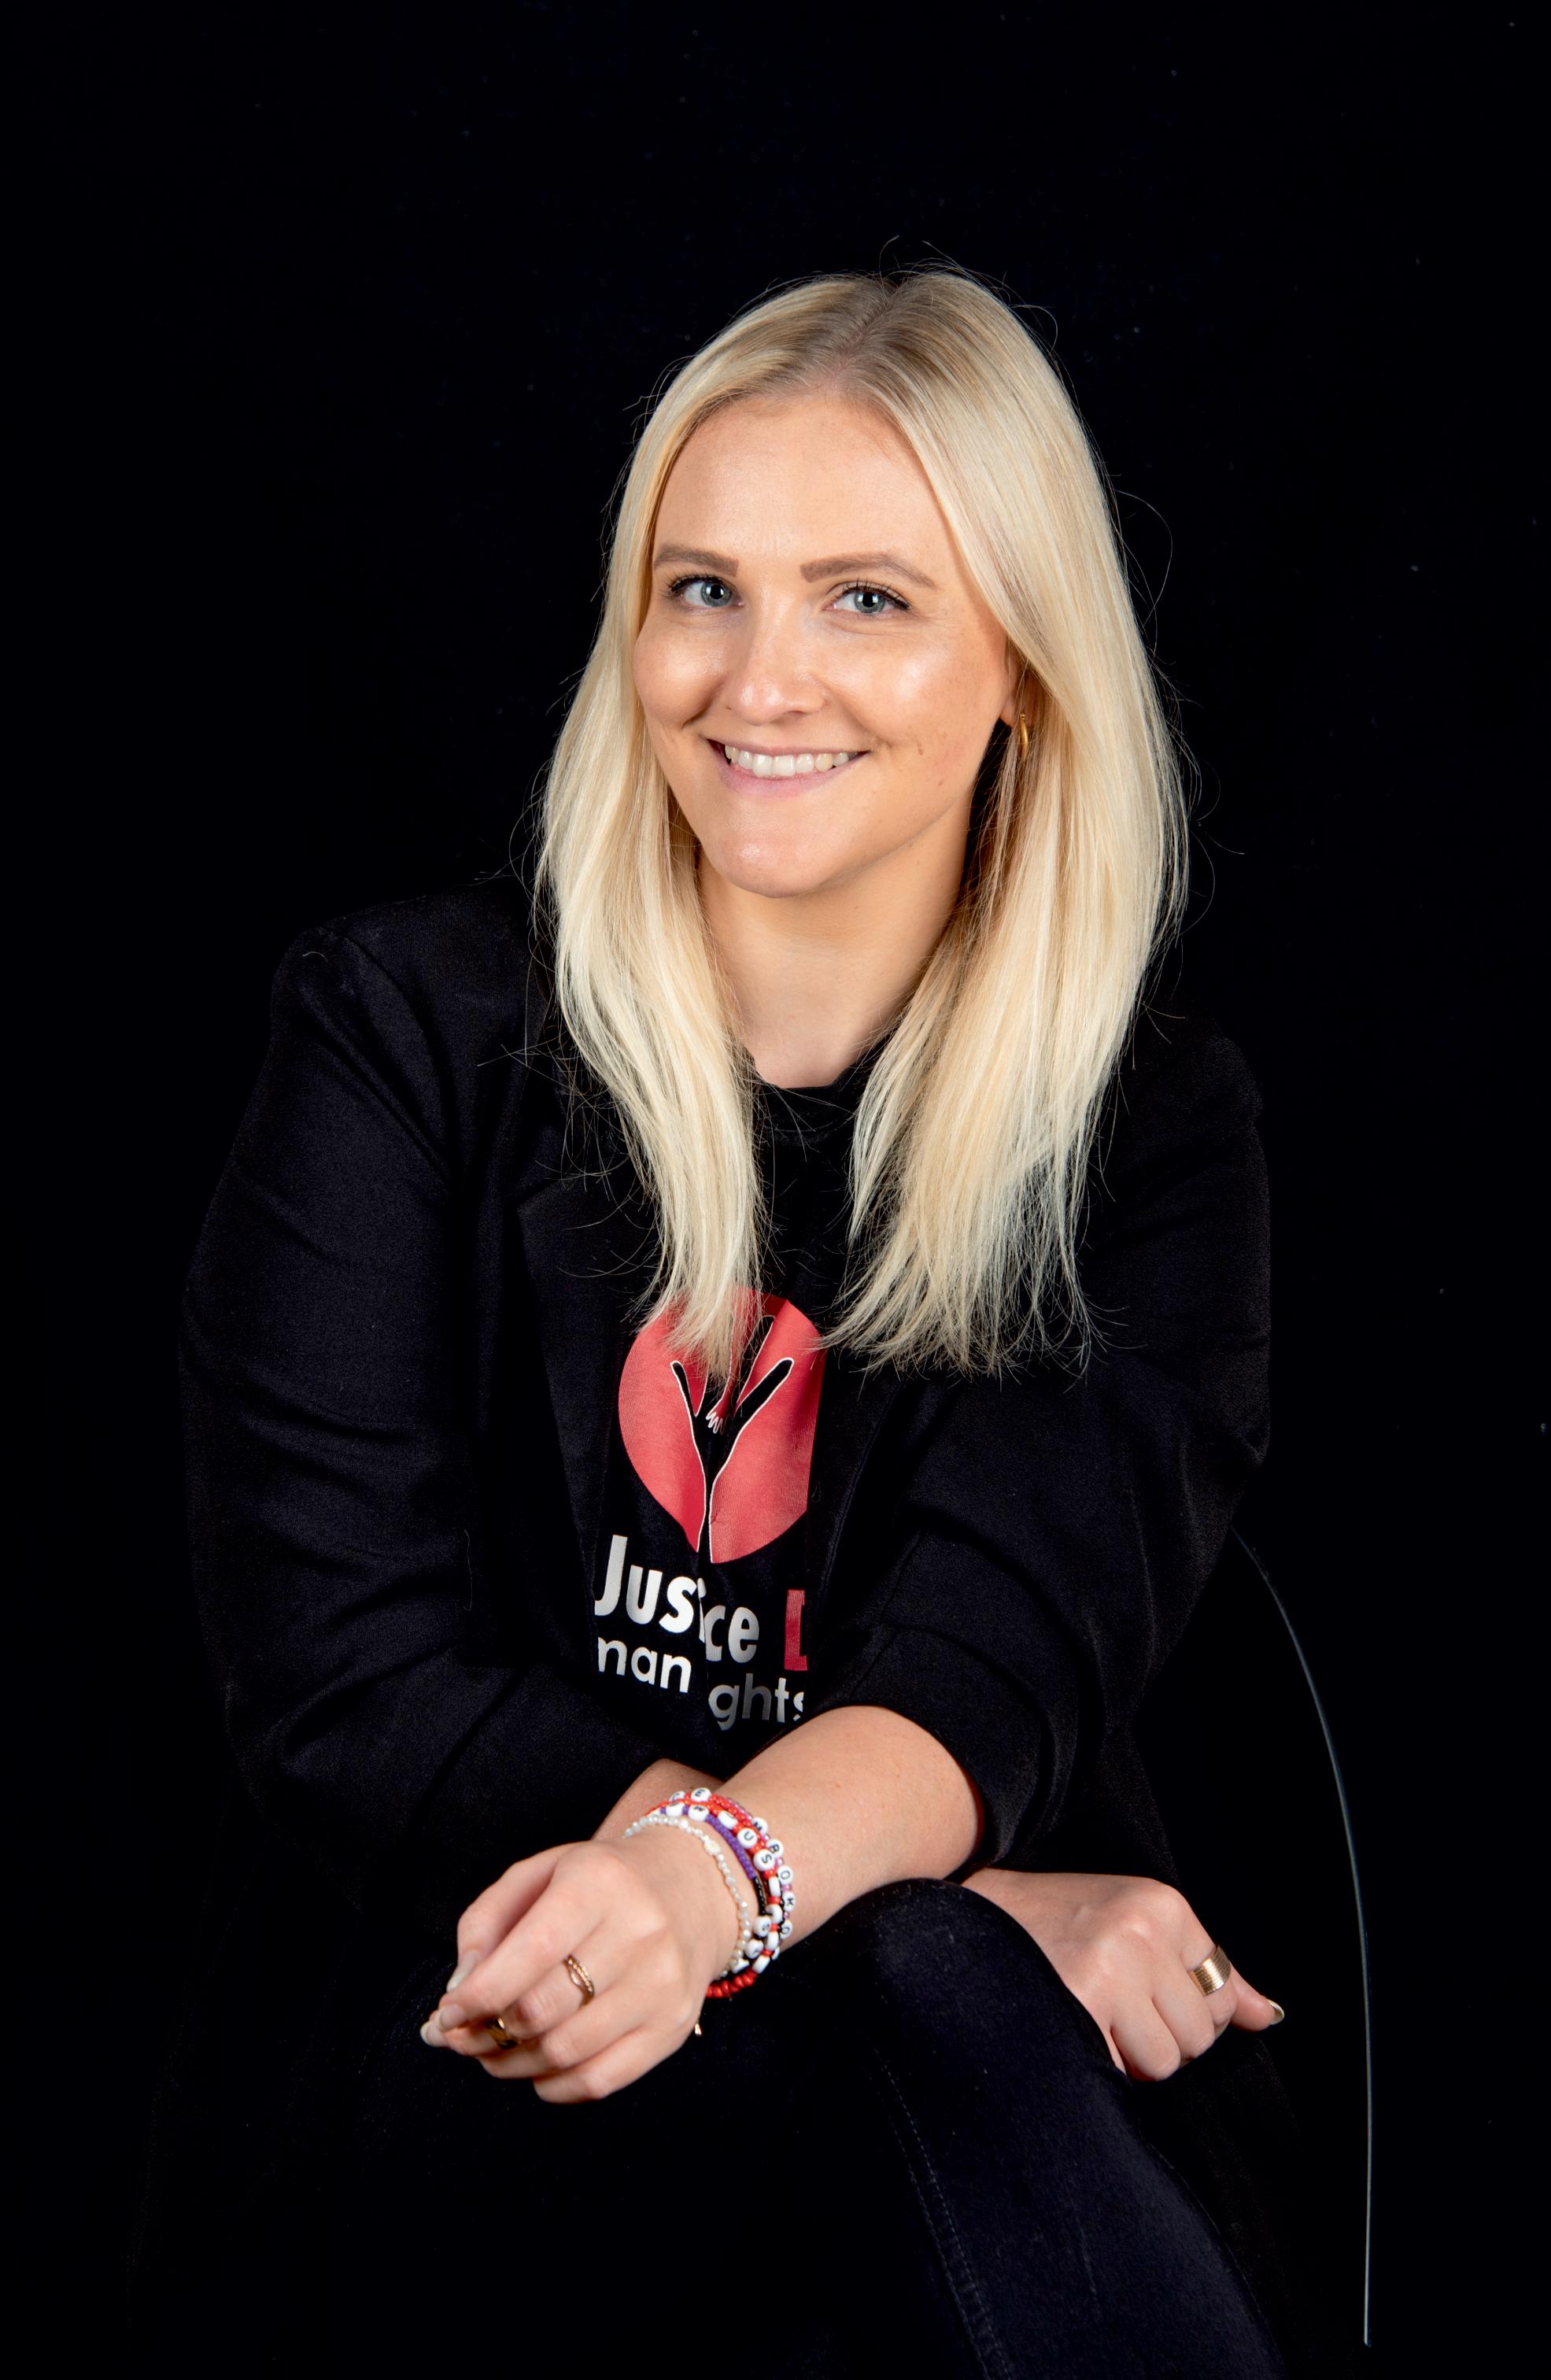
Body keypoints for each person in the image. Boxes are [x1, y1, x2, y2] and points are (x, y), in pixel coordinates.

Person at [131, 268, 1328, 2375]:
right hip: (469, 2004)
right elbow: (347, 1681)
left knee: (930, 2012)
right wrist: (829, 1886)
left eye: (865, 599)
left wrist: (739, 1893)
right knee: (925, 1970)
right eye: (703, 589)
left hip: (941, 2091)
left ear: (1022, 669)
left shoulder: (1147, 1132)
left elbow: (993, 1663)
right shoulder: (407, 1033)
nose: (759, 678)